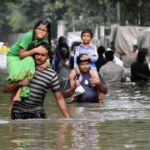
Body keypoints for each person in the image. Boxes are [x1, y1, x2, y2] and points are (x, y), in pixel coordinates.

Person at [3, 44, 69, 119]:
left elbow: (59, 98)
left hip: (37, 113)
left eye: (43, 55)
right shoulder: (24, 67)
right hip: (18, 112)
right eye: (37, 54)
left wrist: (67, 118)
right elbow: (5, 89)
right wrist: (19, 83)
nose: (39, 57)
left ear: (47, 57)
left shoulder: (51, 75)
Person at [7, 19, 52, 102]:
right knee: (28, 63)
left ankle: (22, 93)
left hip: (28, 59)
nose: (41, 32)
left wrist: (47, 63)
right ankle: (16, 97)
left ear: (47, 33)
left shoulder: (45, 41)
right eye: (39, 29)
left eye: (44, 30)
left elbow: (45, 55)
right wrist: (35, 50)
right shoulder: (28, 36)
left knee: (31, 63)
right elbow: (21, 55)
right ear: (35, 29)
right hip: (14, 57)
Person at [69, 29, 101, 102]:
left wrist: (89, 57)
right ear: (81, 37)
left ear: (91, 38)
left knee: (97, 79)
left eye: (88, 36)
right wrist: (76, 69)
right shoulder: (78, 48)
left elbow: (96, 58)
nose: (86, 37)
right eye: (84, 36)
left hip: (91, 66)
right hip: (80, 67)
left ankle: (99, 95)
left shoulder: (93, 47)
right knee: (71, 75)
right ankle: (73, 94)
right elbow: (75, 60)